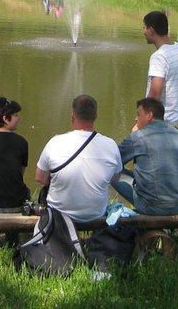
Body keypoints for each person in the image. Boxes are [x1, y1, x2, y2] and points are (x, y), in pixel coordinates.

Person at [35, 95, 121, 224]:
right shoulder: (110, 145)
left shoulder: (55, 142)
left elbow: (40, 177)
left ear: (72, 116)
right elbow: (114, 178)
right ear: (96, 116)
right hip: (96, 214)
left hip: (59, 214)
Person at [112, 97, 178, 215]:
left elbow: (113, 162)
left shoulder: (138, 137)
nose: (136, 118)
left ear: (149, 116)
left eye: (138, 114)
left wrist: (133, 136)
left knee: (110, 172)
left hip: (151, 206)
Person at [141, 10, 178, 130]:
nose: (143, 32)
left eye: (144, 28)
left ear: (151, 30)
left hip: (163, 122)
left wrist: (141, 121)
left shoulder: (159, 57)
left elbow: (154, 96)